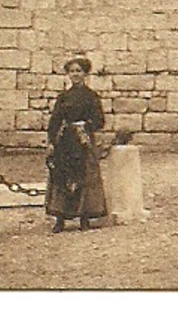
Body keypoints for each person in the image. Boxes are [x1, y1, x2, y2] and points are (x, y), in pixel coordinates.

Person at [44, 56, 108, 233]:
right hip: (65, 140)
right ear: (68, 74)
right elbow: (55, 120)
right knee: (62, 175)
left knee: (85, 176)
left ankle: (85, 217)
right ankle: (60, 218)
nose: (75, 75)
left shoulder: (91, 97)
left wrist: (85, 126)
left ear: (85, 74)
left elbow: (99, 120)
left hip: (83, 140)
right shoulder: (63, 97)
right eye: (72, 71)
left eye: (78, 71)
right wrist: (51, 141)